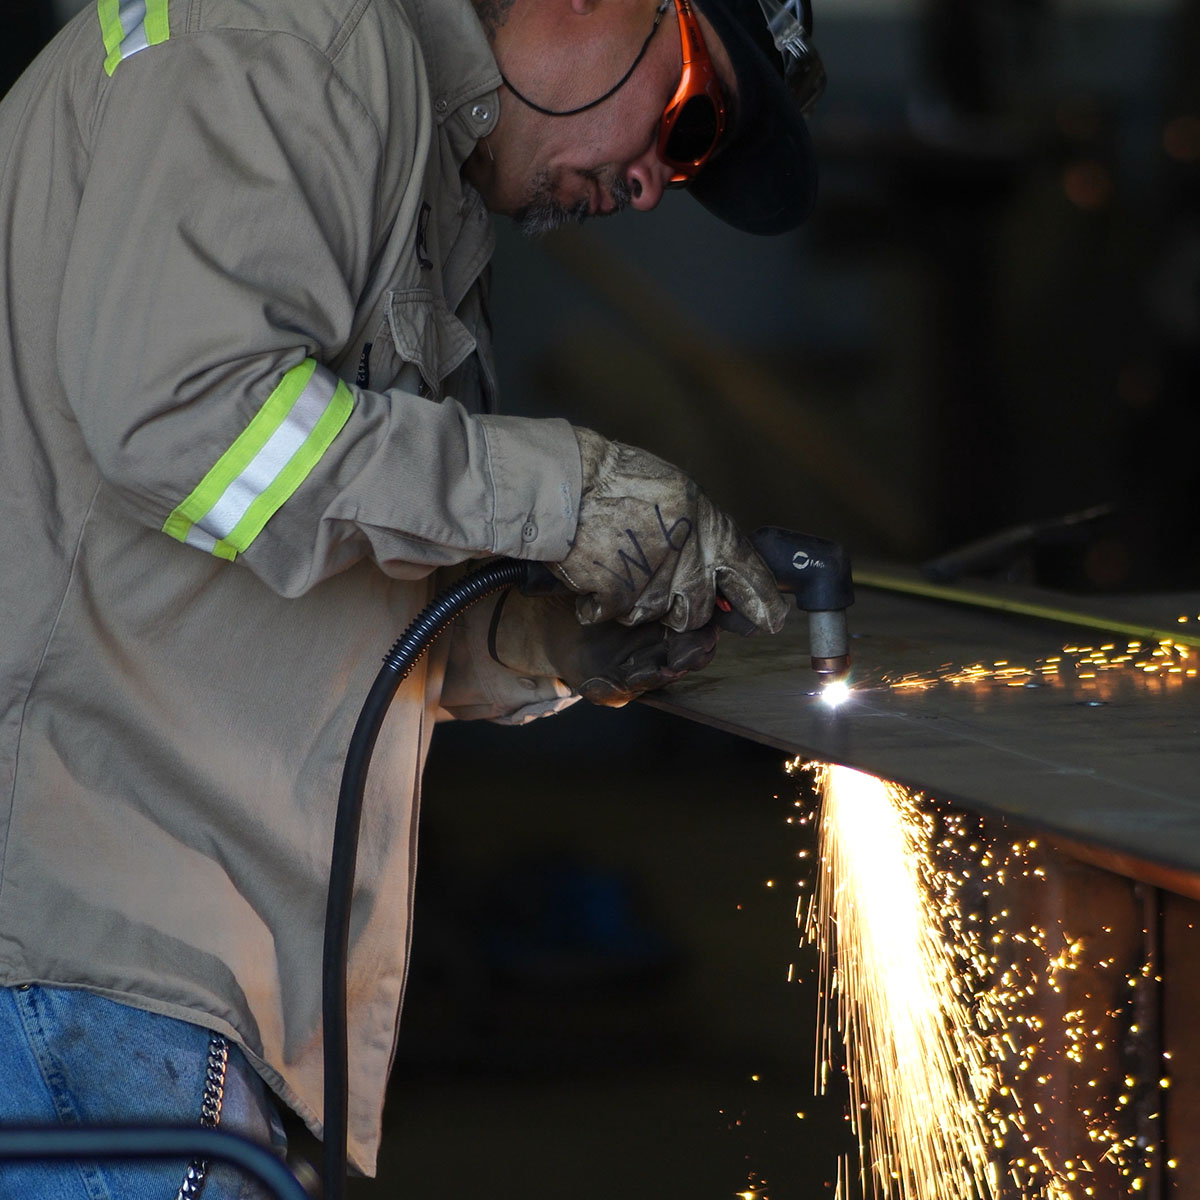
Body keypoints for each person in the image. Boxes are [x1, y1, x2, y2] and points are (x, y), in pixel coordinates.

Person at [0, 0, 822, 1193]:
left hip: (158, 978)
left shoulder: (416, 164)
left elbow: (327, 562)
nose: (655, 185)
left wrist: (545, 640)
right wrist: (557, 490)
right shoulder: (295, 37)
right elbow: (179, 418)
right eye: (688, 118)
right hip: (88, 959)